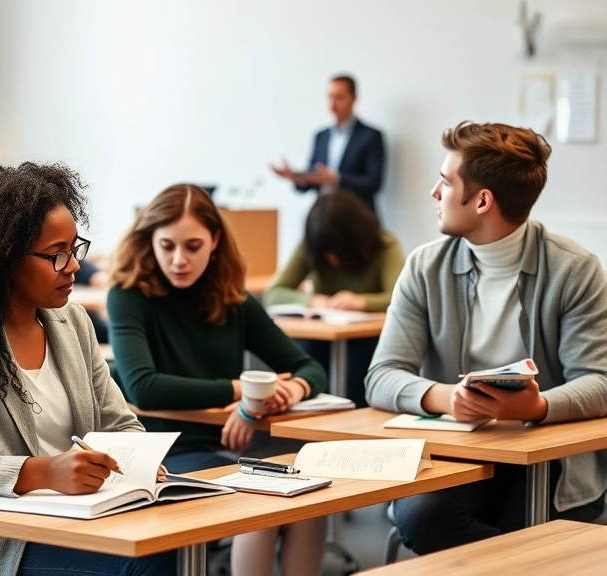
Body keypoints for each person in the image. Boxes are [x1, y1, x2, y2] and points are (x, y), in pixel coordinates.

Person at [0, 162, 174, 576]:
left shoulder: (71, 323)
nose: (73, 266)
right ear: (0, 257)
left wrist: (142, 462)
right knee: (146, 566)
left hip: (82, 520)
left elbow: (121, 426)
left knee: (168, 549)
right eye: (57, 255)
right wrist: (41, 472)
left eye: (75, 249)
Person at [366, 121, 607, 554]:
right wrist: (447, 398)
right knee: (425, 518)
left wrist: (539, 405)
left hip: (546, 458)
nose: (434, 192)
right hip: (455, 452)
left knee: (528, 527)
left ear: (481, 200)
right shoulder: (425, 267)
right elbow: (382, 374)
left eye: (445, 180)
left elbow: (599, 380)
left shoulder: (574, 269)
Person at [107, 183, 328, 576]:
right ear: (149, 241)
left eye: (192, 246)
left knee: (310, 497)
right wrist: (246, 390)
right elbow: (143, 385)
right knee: (260, 501)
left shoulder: (234, 299)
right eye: (167, 246)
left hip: (228, 446)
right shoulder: (129, 295)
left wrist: (287, 390)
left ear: (215, 241)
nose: (178, 260)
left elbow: (309, 368)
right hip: (163, 454)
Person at [265, 189, 404, 407]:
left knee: (357, 372)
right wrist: (313, 300)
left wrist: (362, 302)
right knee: (306, 360)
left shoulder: (384, 244)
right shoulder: (313, 243)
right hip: (321, 337)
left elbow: (401, 298)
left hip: (367, 337)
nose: (332, 259)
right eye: (325, 252)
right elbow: (274, 293)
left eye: (338, 250)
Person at [272, 75, 385, 213]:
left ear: (354, 98)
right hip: (325, 217)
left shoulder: (370, 136)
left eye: (339, 98)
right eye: (330, 97)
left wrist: (337, 179)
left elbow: (374, 183)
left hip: (357, 218)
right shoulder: (321, 136)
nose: (332, 104)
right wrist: (296, 177)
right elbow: (314, 178)